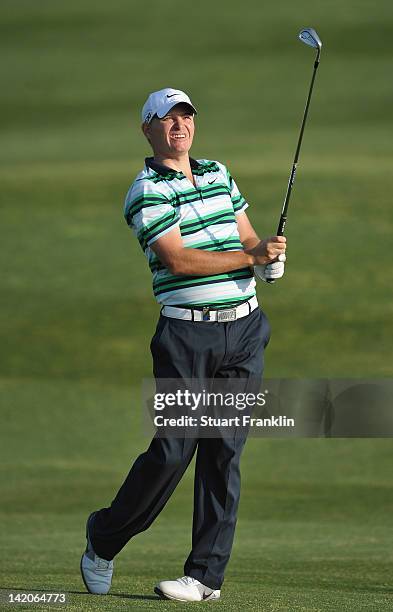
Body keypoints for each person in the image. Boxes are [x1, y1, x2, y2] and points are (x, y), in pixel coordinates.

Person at [80, 87, 287, 602]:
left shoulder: (219, 173)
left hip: (243, 331)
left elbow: (246, 238)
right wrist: (253, 260)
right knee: (172, 451)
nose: (179, 126)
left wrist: (269, 256)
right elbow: (178, 259)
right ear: (147, 129)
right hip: (185, 336)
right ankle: (104, 539)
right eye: (167, 119)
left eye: (186, 117)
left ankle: (204, 577)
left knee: (223, 453)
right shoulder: (145, 189)